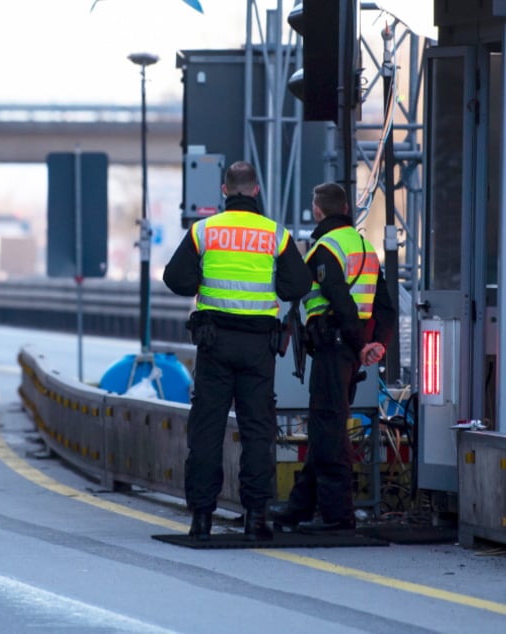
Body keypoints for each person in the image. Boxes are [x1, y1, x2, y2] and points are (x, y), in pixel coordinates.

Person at [163, 161, 312, 541]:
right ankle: (256, 520)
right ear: (256, 191)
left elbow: (174, 278)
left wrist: (203, 277)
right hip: (258, 348)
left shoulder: (204, 231)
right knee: (258, 431)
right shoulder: (274, 234)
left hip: (214, 345)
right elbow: (297, 286)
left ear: (224, 190)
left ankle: (201, 520)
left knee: (207, 430)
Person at [272, 182, 397, 534]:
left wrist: (360, 345)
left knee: (329, 428)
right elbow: (385, 306)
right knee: (327, 426)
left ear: (318, 209)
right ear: (345, 208)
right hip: (353, 352)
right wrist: (377, 345)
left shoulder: (326, 248)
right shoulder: (365, 247)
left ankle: (337, 515)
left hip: (335, 348)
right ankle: (298, 507)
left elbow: (340, 301)